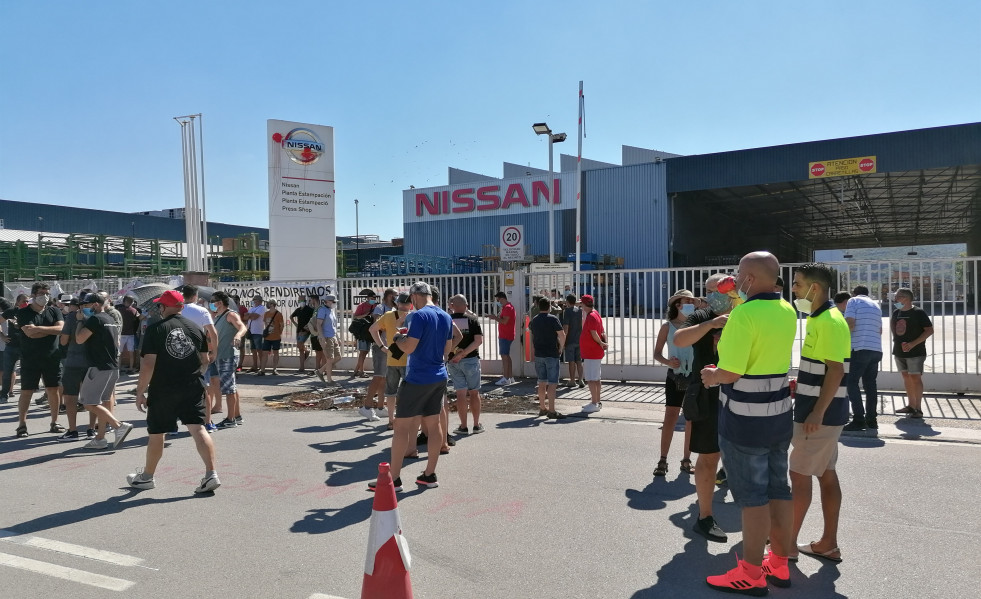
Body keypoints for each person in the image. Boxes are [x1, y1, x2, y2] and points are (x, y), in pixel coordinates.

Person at [700, 252, 798, 596]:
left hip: (745, 420)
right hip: (778, 417)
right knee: (778, 489)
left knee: (753, 498)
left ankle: (751, 572)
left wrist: (712, 376)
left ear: (751, 279)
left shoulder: (744, 315)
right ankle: (779, 561)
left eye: (739, 274)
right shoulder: (786, 309)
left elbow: (731, 371)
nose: (735, 279)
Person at [786, 263, 851, 576]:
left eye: (797, 284)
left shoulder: (828, 320)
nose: (794, 290)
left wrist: (816, 412)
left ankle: (786, 545)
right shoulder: (820, 317)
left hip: (820, 416)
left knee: (798, 475)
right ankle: (828, 543)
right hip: (822, 412)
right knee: (825, 473)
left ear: (815, 288)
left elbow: (836, 370)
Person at [127, 290, 221, 493]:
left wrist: (140, 391)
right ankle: (211, 474)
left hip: (164, 387)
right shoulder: (195, 328)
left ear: (166, 307)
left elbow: (148, 365)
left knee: (157, 433)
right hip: (192, 385)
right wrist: (195, 375)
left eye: (161, 305)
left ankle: (147, 477)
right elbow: (205, 360)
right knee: (198, 428)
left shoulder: (156, 329)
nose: (159, 308)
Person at [369, 282, 453, 492]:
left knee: (401, 427)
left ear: (415, 297)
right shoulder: (445, 316)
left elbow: (409, 347)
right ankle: (429, 474)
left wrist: (397, 337)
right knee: (434, 426)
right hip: (439, 376)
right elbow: (448, 349)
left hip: (417, 378)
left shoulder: (417, 315)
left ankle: (394, 479)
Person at [674, 274, 733, 542]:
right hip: (708, 393)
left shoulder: (743, 312)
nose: (713, 297)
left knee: (741, 454)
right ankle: (704, 516)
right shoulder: (702, 316)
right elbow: (680, 340)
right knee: (709, 455)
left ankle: (758, 516)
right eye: (709, 292)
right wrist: (711, 323)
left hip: (738, 393)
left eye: (718, 291)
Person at [73, 293, 134, 450]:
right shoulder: (110, 319)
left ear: (95, 304)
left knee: (88, 402)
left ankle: (118, 425)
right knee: (104, 403)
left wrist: (80, 322)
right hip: (112, 366)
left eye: (86, 305)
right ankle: (100, 438)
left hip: (98, 367)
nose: (83, 308)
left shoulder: (95, 319)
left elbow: (79, 339)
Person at [653, 290, 695, 477]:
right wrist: (668, 362)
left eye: (691, 301)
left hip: (694, 377)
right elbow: (657, 353)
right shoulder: (667, 326)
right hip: (674, 377)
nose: (689, 304)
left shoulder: (697, 325)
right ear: (677, 305)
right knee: (670, 418)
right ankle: (663, 459)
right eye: (686, 301)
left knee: (690, 420)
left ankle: (686, 459)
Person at [14, 283, 65, 438]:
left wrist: (38, 328)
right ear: (34, 295)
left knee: (53, 389)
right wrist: (50, 331)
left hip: (52, 357)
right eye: (42, 293)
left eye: (47, 293)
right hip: (30, 358)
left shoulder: (54, 311)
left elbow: (61, 329)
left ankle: (54, 422)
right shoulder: (24, 313)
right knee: (27, 391)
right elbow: (30, 334)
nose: (45, 296)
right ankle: (22, 425)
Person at [841, 285, 882, 431]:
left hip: (859, 348)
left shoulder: (853, 301)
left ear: (854, 293)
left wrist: (842, 338)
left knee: (851, 382)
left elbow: (850, 323)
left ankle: (858, 419)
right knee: (870, 385)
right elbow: (880, 330)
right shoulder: (875, 305)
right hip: (876, 349)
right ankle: (872, 419)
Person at [370, 293, 413, 431]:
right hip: (409, 360)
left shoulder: (388, 315)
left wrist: (382, 347)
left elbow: (372, 329)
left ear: (397, 303)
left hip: (392, 358)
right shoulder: (414, 316)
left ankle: (391, 420)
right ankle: (407, 421)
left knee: (390, 393)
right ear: (410, 304)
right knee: (410, 393)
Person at [179, 285, 220, 428]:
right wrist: (214, 351)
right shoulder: (202, 311)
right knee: (203, 388)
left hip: (179, 353)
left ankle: (176, 424)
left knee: (178, 389)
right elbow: (213, 333)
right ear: (195, 296)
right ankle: (207, 422)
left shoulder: (177, 310)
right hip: (199, 353)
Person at [891, 288, 933, 419]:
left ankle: (918, 409)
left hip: (916, 352)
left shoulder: (918, 312)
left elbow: (929, 330)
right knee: (906, 377)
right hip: (899, 351)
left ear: (906, 298)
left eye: (898, 297)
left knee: (915, 378)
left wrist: (912, 344)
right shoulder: (896, 312)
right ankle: (910, 405)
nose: (895, 299)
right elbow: (894, 326)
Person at [447, 294, 485, 434]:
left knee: (460, 394)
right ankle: (476, 425)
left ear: (452, 306)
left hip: (452, 361)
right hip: (471, 360)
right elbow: (478, 341)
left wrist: (455, 354)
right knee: (474, 392)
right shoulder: (473, 320)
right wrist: (463, 354)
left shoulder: (447, 320)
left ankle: (463, 426)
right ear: (466, 305)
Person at [210, 291, 248, 431]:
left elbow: (242, 327)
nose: (211, 303)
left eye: (213, 301)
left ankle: (230, 419)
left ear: (219, 302)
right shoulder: (218, 316)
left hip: (227, 355)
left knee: (229, 389)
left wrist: (238, 335)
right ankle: (236, 415)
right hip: (221, 355)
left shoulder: (230, 314)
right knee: (232, 387)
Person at [360, 289, 397, 421]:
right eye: (395, 295)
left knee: (384, 378)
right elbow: (377, 325)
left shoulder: (394, 309)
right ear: (388, 296)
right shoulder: (380, 308)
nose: (396, 298)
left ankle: (381, 408)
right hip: (381, 346)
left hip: (390, 346)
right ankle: (367, 407)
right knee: (378, 377)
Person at [529, 296, 567, 420]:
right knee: (552, 383)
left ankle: (542, 408)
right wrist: (561, 348)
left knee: (541, 382)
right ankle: (552, 410)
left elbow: (532, 335)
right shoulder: (553, 319)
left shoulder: (534, 320)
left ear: (539, 306)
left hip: (539, 354)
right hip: (551, 353)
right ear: (549, 307)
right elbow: (562, 335)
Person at [580, 294, 607, 413]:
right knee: (596, 378)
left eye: (581, 303)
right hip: (593, 352)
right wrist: (603, 342)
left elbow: (593, 333)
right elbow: (602, 331)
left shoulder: (591, 316)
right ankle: (596, 401)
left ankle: (594, 403)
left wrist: (601, 343)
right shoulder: (596, 313)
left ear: (585, 304)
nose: (580, 305)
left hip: (591, 352)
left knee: (591, 379)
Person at [488, 291, 515, 385]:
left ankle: (506, 378)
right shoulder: (507, 307)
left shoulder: (507, 308)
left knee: (504, 356)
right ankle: (510, 377)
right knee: (507, 356)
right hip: (507, 334)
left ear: (502, 299)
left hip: (506, 335)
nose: (498, 302)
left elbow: (504, 322)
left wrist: (494, 317)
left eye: (498, 300)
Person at [315, 294, 342, 384]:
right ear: (328, 301)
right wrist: (322, 337)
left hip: (332, 336)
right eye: (333, 302)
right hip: (326, 337)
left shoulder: (331, 310)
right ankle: (329, 380)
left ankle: (320, 371)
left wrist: (337, 337)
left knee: (338, 357)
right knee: (330, 359)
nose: (335, 304)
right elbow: (318, 324)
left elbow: (333, 326)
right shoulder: (322, 310)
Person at [561, 294, 584, 388]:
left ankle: (572, 380)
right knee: (579, 361)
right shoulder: (579, 310)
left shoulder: (567, 311)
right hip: (579, 338)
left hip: (570, 339)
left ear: (567, 302)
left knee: (571, 361)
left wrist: (563, 340)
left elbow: (566, 326)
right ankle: (581, 380)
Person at [352, 290, 377, 377]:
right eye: (371, 298)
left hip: (369, 332)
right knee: (363, 352)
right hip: (362, 332)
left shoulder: (375, 306)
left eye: (374, 298)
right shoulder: (362, 306)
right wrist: (366, 314)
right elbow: (355, 317)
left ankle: (356, 370)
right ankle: (361, 371)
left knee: (365, 352)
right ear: (367, 298)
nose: (373, 300)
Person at [290, 297, 315, 374]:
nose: (301, 302)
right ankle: (302, 367)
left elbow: (314, 318)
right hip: (299, 330)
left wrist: (308, 327)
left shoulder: (309, 309)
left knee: (300, 345)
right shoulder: (298, 310)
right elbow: (291, 317)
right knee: (300, 348)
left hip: (306, 331)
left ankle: (302, 366)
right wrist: (296, 324)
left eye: (302, 301)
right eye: (300, 301)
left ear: (305, 301)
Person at [259, 299, 284, 376]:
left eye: (269, 303)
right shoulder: (266, 314)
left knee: (276, 353)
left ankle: (274, 369)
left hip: (276, 337)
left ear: (272, 304)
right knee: (264, 353)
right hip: (267, 337)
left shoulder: (279, 314)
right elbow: (266, 324)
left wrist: (279, 333)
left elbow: (282, 325)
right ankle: (262, 370)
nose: (267, 305)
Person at [117, 295, 140, 373]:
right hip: (131, 334)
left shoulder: (119, 310)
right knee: (131, 353)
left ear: (124, 301)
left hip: (122, 334)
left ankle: (118, 368)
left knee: (119, 353)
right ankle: (131, 368)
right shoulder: (134, 310)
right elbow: (139, 318)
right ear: (132, 302)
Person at [243, 296, 266, 373]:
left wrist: (249, 315)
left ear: (259, 301)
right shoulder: (252, 308)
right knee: (253, 349)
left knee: (259, 349)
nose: (253, 301)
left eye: (255, 300)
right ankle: (254, 366)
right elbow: (245, 317)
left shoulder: (262, 308)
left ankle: (261, 366)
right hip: (250, 331)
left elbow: (255, 317)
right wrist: (250, 315)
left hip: (258, 331)